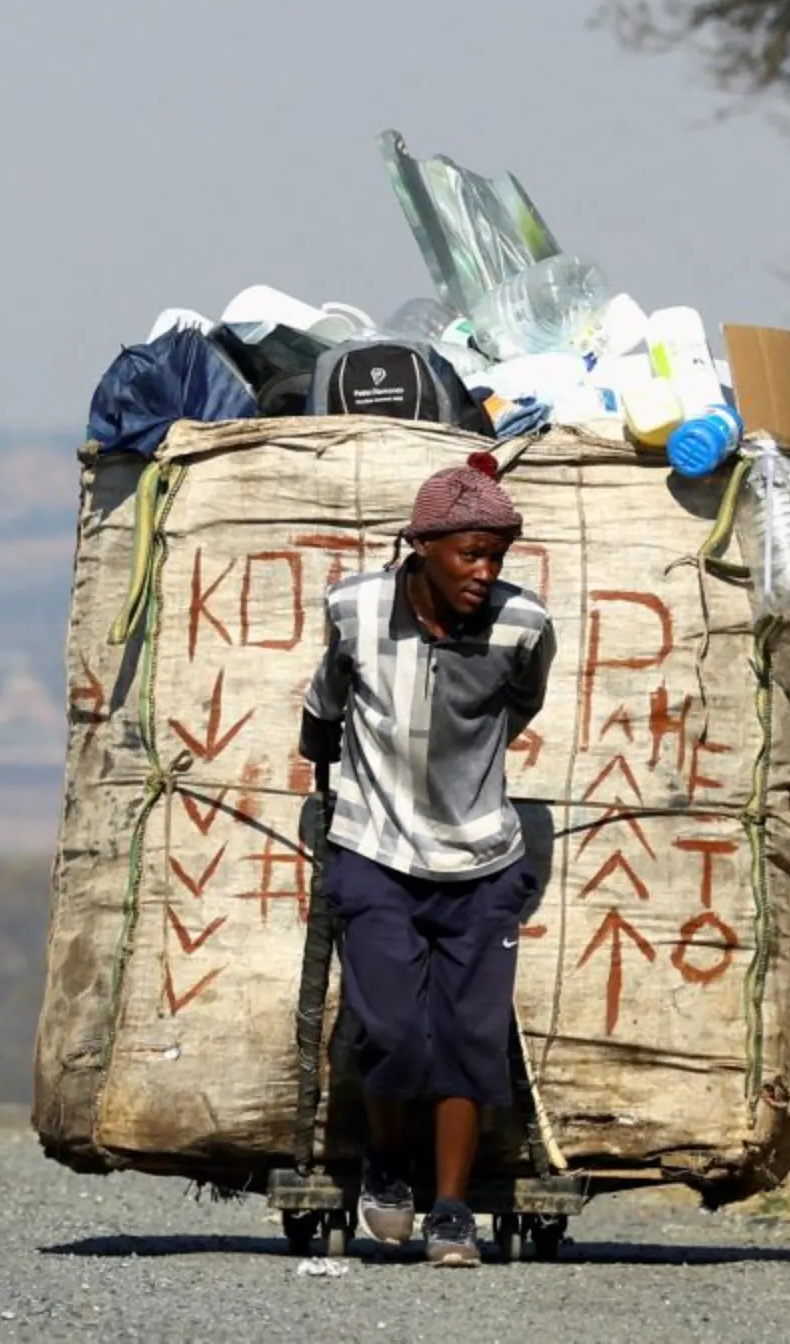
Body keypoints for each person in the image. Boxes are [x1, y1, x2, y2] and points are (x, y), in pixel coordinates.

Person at [299, 451, 555, 1266]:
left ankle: (449, 1208)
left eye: (496, 558)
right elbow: (324, 708)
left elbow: (521, 706)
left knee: (471, 1041)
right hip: (374, 852)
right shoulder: (355, 610)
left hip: (481, 862)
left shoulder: (523, 626)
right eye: (469, 555)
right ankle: (384, 1163)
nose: (485, 573)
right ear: (421, 548)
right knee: (395, 1031)